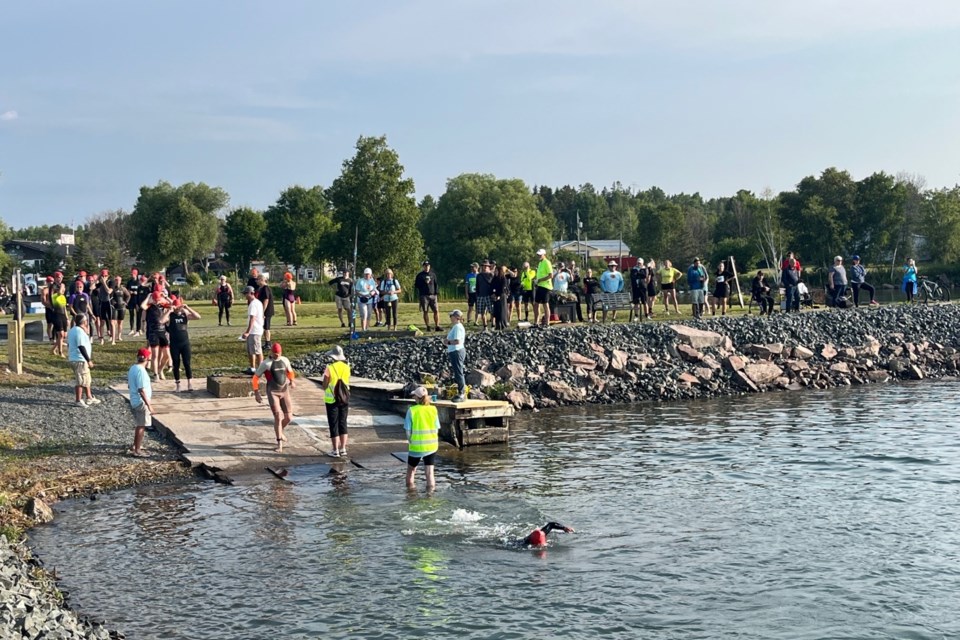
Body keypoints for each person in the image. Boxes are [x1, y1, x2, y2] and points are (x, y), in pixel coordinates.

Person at [253, 342, 296, 453]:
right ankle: (279, 443)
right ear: (271, 352)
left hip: (284, 391)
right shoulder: (266, 363)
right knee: (278, 416)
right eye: (275, 354)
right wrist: (256, 393)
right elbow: (255, 378)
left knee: (289, 417)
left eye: (279, 353)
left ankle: (280, 431)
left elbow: (290, 372)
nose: (277, 355)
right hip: (273, 392)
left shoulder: (285, 360)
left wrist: (292, 381)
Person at [404, 386, 441, 491]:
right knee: (430, 474)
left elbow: (407, 430)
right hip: (431, 446)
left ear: (417, 397)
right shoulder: (433, 409)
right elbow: (437, 428)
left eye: (414, 395)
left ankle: (410, 495)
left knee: (411, 471)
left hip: (416, 447)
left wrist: (410, 441)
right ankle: (430, 497)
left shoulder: (412, 410)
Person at [322, 345, 351, 457]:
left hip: (331, 399)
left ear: (333, 356)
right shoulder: (347, 367)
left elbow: (324, 385)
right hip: (344, 398)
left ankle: (335, 450)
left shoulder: (329, 368)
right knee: (343, 423)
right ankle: (343, 448)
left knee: (333, 424)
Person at [167, 296, 200, 392]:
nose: (178, 309)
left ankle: (190, 383)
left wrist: (187, 308)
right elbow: (161, 320)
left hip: (185, 343)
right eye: (176, 307)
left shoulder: (185, 315)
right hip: (174, 344)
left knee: (187, 363)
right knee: (176, 364)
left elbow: (198, 316)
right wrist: (169, 311)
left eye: (179, 307)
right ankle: (178, 384)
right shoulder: (170, 316)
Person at [67, 314, 100, 407]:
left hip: (76, 358)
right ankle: (78, 400)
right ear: (84, 322)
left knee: (86, 379)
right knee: (81, 380)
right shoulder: (79, 332)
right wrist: (88, 360)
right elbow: (81, 346)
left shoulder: (73, 330)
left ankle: (89, 397)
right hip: (79, 360)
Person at [127, 347, 155, 457]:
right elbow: (141, 390)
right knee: (141, 426)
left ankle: (135, 445)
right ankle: (137, 450)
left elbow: (130, 385)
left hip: (134, 400)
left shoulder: (133, 368)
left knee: (139, 425)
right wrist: (149, 405)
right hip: (141, 402)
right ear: (147, 359)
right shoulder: (141, 372)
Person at [241, 285, 265, 374]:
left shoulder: (254, 304)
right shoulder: (257, 303)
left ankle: (261, 369)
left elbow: (252, 318)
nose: (245, 296)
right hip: (255, 330)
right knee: (252, 350)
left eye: (246, 294)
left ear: (251, 293)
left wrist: (247, 332)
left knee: (257, 350)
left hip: (255, 331)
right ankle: (253, 368)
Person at [414, 260, 442, 332]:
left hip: (433, 295)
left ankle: (437, 326)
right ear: (423, 266)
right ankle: (428, 326)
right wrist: (424, 282)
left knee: (436, 310)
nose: (427, 267)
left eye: (428, 266)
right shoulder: (420, 275)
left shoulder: (433, 274)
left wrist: (436, 293)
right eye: (425, 266)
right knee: (425, 311)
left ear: (430, 266)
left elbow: (436, 284)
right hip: (424, 295)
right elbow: (416, 285)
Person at [446, 309, 466, 401]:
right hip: (455, 351)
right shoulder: (456, 326)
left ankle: (462, 393)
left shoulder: (457, 327)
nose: (450, 318)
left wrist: (447, 342)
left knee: (459, 372)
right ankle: (460, 392)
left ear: (456, 317)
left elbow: (457, 341)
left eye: (452, 316)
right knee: (458, 372)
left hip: (457, 351)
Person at [532, 249, 554, 327]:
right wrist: (536, 280)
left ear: (544, 254)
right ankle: (536, 322)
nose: (539, 256)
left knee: (545, 304)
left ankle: (547, 323)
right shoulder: (540, 263)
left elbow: (551, 275)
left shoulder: (547, 262)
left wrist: (539, 280)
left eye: (540, 255)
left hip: (546, 286)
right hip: (540, 286)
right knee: (536, 304)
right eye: (538, 255)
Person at [255, 274, 275, 348]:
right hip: (264, 311)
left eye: (257, 279)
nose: (256, 281)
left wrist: (262, 312)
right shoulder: (261, 288)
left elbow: (266, 300)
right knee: (264, 327)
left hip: (267, 311)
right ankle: (267, 342)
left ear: (261, 280)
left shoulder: (265, 288)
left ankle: (268, 343)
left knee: (266, 327)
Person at [50, 282, 70, 357]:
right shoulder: (55, 296)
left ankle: (53, 349)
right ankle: (60, 352)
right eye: (62, 288)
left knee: (64, 335)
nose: (63, 290)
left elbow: (64, 308)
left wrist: (67, 318)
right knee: (60, 334)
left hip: (63, 315)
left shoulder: (63, 297)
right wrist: (61, 286)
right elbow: (59, 293)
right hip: (56, 315)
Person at [109, 275, 129, 345]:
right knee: (113, 322)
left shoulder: (123, 288)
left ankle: (119, 336)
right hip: (114, 307)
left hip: (122, 307)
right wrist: (112, 302)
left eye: (119, 280)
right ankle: (112, 336)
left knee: (120, 322)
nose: (118, 281)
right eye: (116, 280)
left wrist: (126, 302)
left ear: (121, 281)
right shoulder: (112, 288)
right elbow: (109, 297)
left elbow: (128, 295)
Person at [474, 261, 493, 331]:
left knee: (492, 311)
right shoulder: (479, 276)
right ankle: (485, 326)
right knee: (482, 312)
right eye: (483, 266)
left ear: (488, 267)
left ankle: (493, 325)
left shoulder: (491, 275)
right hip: (480, 296)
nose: (484, 267)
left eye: (486, 266)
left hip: (489, 295)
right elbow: (477, 285)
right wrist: (477, 295)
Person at [126, 268, 141, 335]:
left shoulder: (139, 282)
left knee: (138, 316)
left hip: (137, 301)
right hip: (131, 301)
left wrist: (136, 292)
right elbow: (126, 290)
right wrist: (130, 291)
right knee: (131, 315)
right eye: (131, 274)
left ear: (136, 274)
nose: (132, 275)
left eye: (133, 274)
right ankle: (131, 329)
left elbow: (141, 291)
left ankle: (138, 330)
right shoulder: (129, 282)